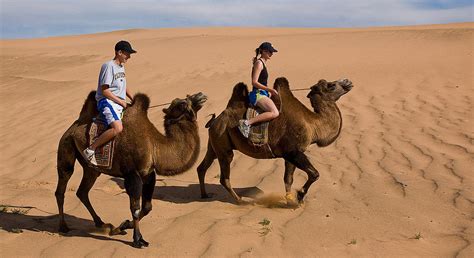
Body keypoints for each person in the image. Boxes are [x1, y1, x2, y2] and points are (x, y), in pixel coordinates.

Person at [83, 40, 137, 165]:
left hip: (117, 102)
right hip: (107, 101)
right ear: (119, 52)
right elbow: (105, 91)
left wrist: (133, 98)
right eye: (127, 53)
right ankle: (91, 150)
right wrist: (121, 102)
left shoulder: (121, 67)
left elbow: (123, 84)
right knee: (118, 128)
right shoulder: (108, 66)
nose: (129, 56)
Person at [238, 42, 279, 138]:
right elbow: (254, 82)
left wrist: (268, 92)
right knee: (274, 113)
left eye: (272, 52)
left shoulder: (263, 63)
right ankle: (247, 123)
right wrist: (270, 90)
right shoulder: (259, 63)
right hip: (257, 94)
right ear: (263, 51)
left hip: (262, 93)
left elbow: (262, 82)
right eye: (270, 52)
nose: (271, 54)